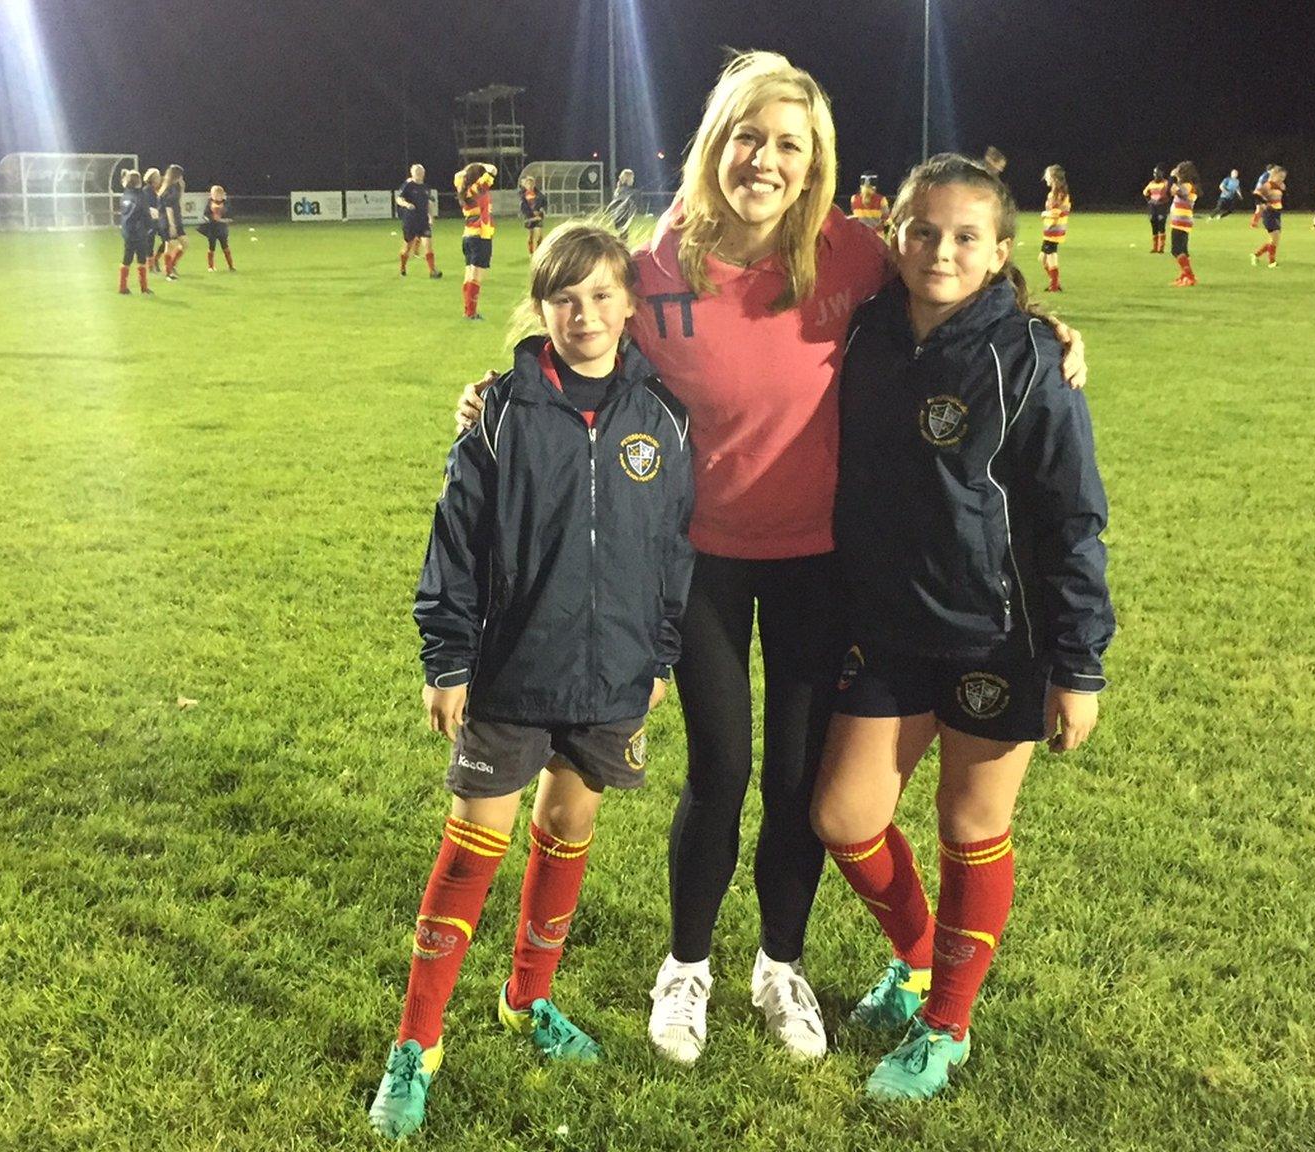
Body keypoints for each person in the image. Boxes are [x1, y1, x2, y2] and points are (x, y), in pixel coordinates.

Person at [450, 52, 1090, 1066]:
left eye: (788, 142)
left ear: (812, 162)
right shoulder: (654, 262)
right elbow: (574, 335)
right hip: (697, 558)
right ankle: (686, 970)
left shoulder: (846, 256)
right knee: (719, 766)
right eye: (749, 135)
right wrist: (499, 395)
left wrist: (1038, 323)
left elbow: (957, 291)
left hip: (819, 560)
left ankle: (779, 965)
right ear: (716, 141)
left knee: (797, 779)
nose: (765, 157)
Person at [367, 222, 695, 1140]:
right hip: (511, 670)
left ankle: (527, 998)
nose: (585, 315)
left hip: (612, 677)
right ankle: (416, 1045)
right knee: (476, 848)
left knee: (568, 828)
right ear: (542, 306)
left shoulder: (662, 416)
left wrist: (659, 654)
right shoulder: (501, 413)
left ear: (631, 304)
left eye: (601, 296)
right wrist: (447, 661)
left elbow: (673, 549)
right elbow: (454, 547)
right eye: (566, 297)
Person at [813, 152, 1111, 1103]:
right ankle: (915, 962)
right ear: (893, 238)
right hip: (888, 627)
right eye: (924, 232)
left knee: (969, 823)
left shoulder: (1029, 356)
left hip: (1000, 635)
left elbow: (1072, 516)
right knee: (845, 817)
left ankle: (947, 1025)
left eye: (965, 236)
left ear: (1000, 251)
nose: (942, 250)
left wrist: (1080, 667)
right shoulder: (861, 335)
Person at [455, 162, 498, 319]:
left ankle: (468, 310)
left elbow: (458, 175)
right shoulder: (477, 188)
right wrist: (480, 164)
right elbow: (493, 169)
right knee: (476, 275)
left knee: (469, 274)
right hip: (480, 235)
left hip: (467, 235)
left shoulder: (463, 188)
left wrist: (469, 170)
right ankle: (471, 312)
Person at [395, 164, 441, 278]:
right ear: (412, 173)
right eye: (417, 172)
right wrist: (406, 204)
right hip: (410, 221)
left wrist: (431, 216)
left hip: (423, 221)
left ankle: (432, 271)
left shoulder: (425, 187)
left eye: (421, 171)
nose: (419, 174)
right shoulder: (408, 185)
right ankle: (402, 268)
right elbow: (398, 199)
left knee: (428, 245)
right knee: (407, 248)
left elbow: (429, 203)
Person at [115, 169, 156, 296]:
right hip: (139, 232)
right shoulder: (140, 196)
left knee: (127, 258)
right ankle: (144, 288)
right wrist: (149, 226)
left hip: (127, 231)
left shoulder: (125, 195)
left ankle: (122, 287)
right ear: (139, 182)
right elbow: (145, 214)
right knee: (141, 260)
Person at [1038, 165, 1070, 292]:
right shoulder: (1062, 193)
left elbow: (1055, 213)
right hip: (1056, 231)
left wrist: (1044, 214)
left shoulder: (1055, 194)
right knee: (1045, 258)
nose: (1045, 178)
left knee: (1048, 257)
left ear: (1053, 178)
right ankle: (1055, 284)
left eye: (1047, 176)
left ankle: (1054, 285)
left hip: (1052, 231)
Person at [1168, 160, 1200, 286]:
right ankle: (1185, 276)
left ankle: (1190, 276)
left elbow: (1179, 192)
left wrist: (1172, 177)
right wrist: (1173, 181)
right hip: (1180, 221)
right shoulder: (1184, 184)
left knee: (1176, 250)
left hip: (1181, 221)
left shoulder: (1187, 185)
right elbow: (1171, 190)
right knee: (1183, 250)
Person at [158, 165, 188, 279]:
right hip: (167, 220)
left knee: (185, 243)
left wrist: (182, 188)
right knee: (169, 245)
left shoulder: (175, 186)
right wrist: (171, 225)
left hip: (176, 219)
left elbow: (178, 202)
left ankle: (172, 265)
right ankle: (168, 272)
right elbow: (168, 207)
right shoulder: (167, 188)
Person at [1252, 165, 1285, 267]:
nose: (1282, 179)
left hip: (1276, 213)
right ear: (1274, 175)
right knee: (1275, 238)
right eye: (1280, 176)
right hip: (1269, 214)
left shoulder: (1279, 186)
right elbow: (1256, 194)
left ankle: (1256, 254)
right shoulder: (1268, 185)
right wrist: (1264, 204)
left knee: (1274, 240)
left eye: (1283, 177)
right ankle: (1271, 262)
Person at [199, 185, 235, 271]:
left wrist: (222, 218)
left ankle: (231, 266)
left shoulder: (226, 203)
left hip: (222, 228)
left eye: (216, 194)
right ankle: (210, 266)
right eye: (213, 194)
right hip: (212, 228)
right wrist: (211, 218)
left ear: (222, 194)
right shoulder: (210, 202)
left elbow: (230, 215)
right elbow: (205, 215)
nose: (214, 196)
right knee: (212, 247)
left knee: (225, 247)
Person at [1143, 166, 1171, 252]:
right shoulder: (1151, 183)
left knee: (1161, 223)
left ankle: (1161, 248)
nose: (1155, 175)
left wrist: (1165, 201)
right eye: (1154, 173)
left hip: (1162, 206)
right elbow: (1145, 193)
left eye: (1157, 173)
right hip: (1153, 206)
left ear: (1162, 173)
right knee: (1153, 223)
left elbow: (1170, 193)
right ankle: (1155, 247)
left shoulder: (1166, 183)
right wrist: (1150, 201)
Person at [518, 175, 549, 252]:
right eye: (528, 184)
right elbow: (523, 209)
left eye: (531, 184)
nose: (530, 186)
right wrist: (532, 215)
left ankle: (538, 252)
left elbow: (544, 204)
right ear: (526, 185)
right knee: (531, 236)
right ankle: (531, 252)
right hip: (530, 218)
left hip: (538, 218)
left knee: (539, 236)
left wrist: (541, 211)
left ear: (534, 184)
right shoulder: (523, 196)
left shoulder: (539, 195)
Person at [605, 167, 639, 237]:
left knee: (622, 236)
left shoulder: (619, 189)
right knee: (623, 237)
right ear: (628, 179)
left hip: (618, 217)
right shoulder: (626, 191)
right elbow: (627, 204)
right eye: (632, 178)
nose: (633, 180)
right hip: (622, 217)